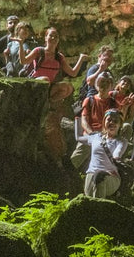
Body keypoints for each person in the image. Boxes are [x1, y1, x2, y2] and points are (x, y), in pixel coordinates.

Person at [25, 26, 88, 161]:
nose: (53, 38)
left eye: (56, 36)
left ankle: (49, 104)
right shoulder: (39, 51)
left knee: (68, 88)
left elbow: (72, 73)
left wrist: (81, 59)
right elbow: (23, 61)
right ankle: (45, 102)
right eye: (51, 35)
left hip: (49, 88)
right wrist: (19, 44)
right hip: (36, 84)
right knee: (46, 79)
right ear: (45, 37)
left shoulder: (59, 57)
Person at [78, 109, 130, 200]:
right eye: (109, 120)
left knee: (99, 176)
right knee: (89, 200)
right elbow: (78, 137)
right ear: (104, 121)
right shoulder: (96, 137)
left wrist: (116, 158)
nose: (112, 123)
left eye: (115, 121)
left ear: (120, 125)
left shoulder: (121, 141)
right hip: (91, 175)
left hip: (110, 176)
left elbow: (117, 152)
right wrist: (77, 118)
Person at [78, 71, 119, 135]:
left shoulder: (113, 102)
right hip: (91, 132)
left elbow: (118, 121)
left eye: (108, 82)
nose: (105, 84)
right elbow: (84, 120)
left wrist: (125, 107)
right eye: (102, 81)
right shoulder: (89, 100)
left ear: (111, 86)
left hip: (107, 132)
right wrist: (91, 133)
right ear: (97, 84)